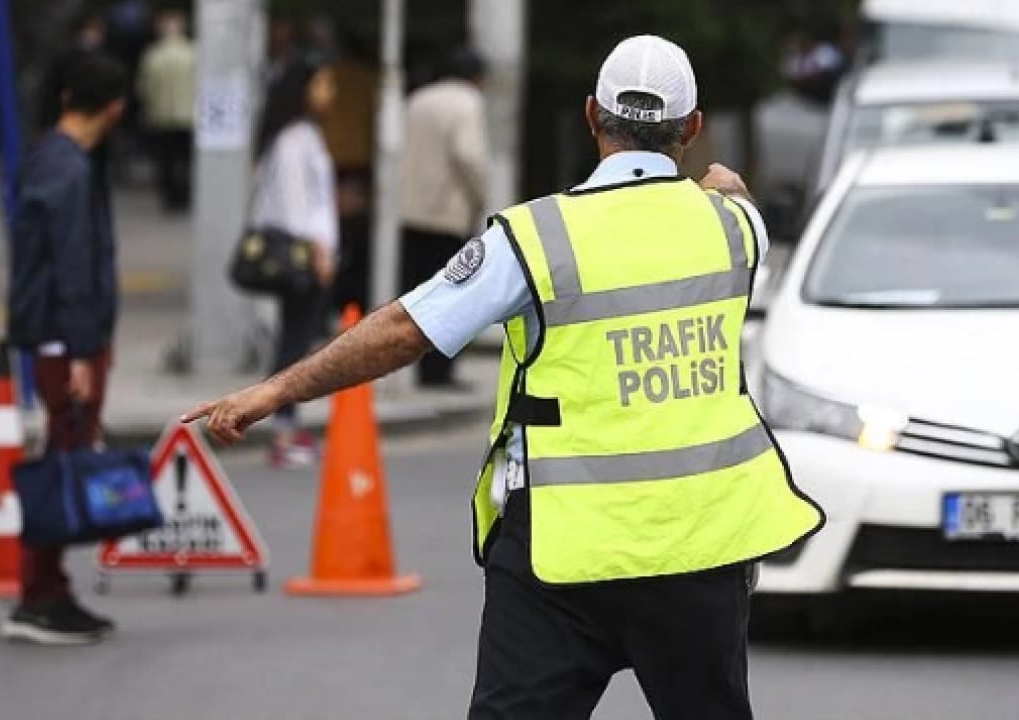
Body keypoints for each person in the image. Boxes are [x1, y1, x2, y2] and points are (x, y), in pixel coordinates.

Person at [184, 35, 824, 719]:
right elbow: (723, 193)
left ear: (590, 116)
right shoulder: (735, 228)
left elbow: (405, 330)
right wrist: (716, 185)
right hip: (700, 549)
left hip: (561, 552)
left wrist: (275, 390)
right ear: (692, 128)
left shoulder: (534, 239)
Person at [3, 51, 127, 645]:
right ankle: (38, 595)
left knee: (64, 451)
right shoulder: (70, 168)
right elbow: (72, 266)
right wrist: (83, 349)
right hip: (64, 339)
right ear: (114, 107)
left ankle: (48, 589)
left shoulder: (50, 157)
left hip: (62, 335)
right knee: (62, 458)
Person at [247, 60, 339, 468]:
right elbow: (295, 205)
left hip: (308, 253)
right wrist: (319, 252)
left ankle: (287, 424)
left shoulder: (300, 135)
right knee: (294, 342)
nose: (330, 92)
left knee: (297, 338)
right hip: (302, 256)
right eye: (323, 82)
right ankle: (283, 430)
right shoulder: (293, 139)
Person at [397, 48, 490, 389]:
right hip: (447, 212)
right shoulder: (468, 103)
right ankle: (440, 372)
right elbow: (469, 154)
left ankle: (421, 367)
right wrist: (480, 196)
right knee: (452, 294)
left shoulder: (418, 99)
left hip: (410, 210)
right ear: (479, 78)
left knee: (418, 292)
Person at [320, 33, 377, 314]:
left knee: (332, 234)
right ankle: (353, 298)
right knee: (357, 234)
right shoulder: (369, 80)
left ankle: (332, 300)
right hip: (359, 164)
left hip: (330, 163)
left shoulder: (326, 77)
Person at [137, 10, 196, 212]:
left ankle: (171, 196)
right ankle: (185, 195)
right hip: (188, 114)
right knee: (186, 159)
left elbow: (144, 87)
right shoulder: (193, 53)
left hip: (161, 115)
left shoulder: (153, 55)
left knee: (166, 160)